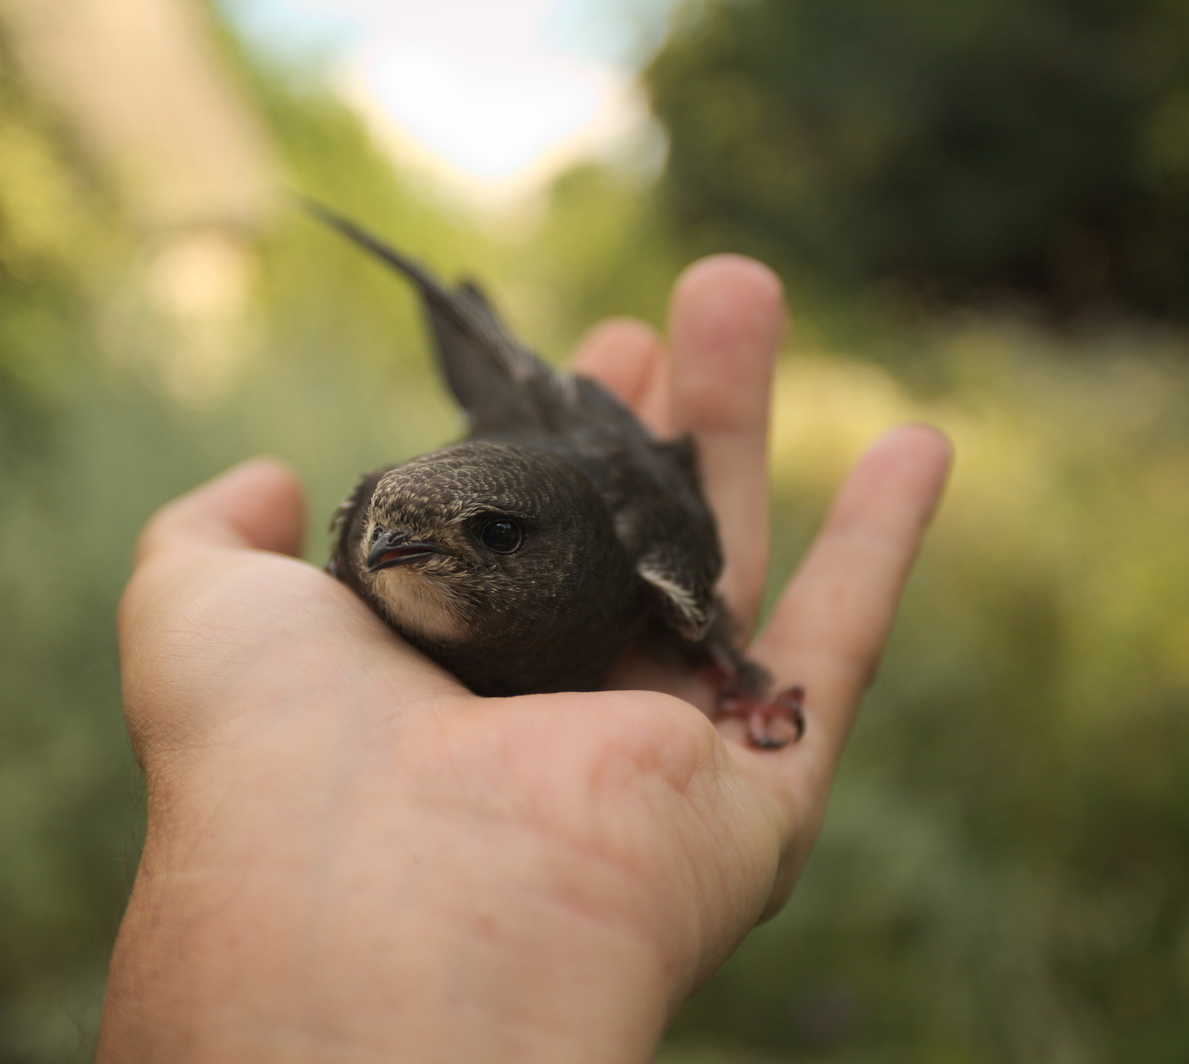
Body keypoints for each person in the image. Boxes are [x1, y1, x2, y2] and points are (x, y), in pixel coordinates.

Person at [96, 255, 953, 1063]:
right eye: (379, 529)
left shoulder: (638, 539)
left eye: (491, 538)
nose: (386, 549)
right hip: (514, 446)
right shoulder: (377, 538)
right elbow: (395, 533)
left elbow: (669, 591)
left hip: (576, 443)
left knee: (667, 574)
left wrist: (726, 665)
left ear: (560, 554)